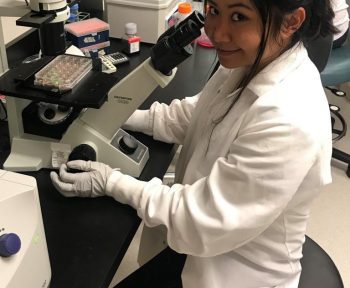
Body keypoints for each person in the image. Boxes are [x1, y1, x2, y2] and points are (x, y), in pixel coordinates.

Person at [50, 0, 337, 287]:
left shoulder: (289, 118)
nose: (217, 33)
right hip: (200, 249)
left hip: (235, 271)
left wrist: (111, 183)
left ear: (291, 22)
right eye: (213, 11)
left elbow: (202, 219)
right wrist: (112, 115)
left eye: (238, 16)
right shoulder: (250, 59)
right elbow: (194, 115)